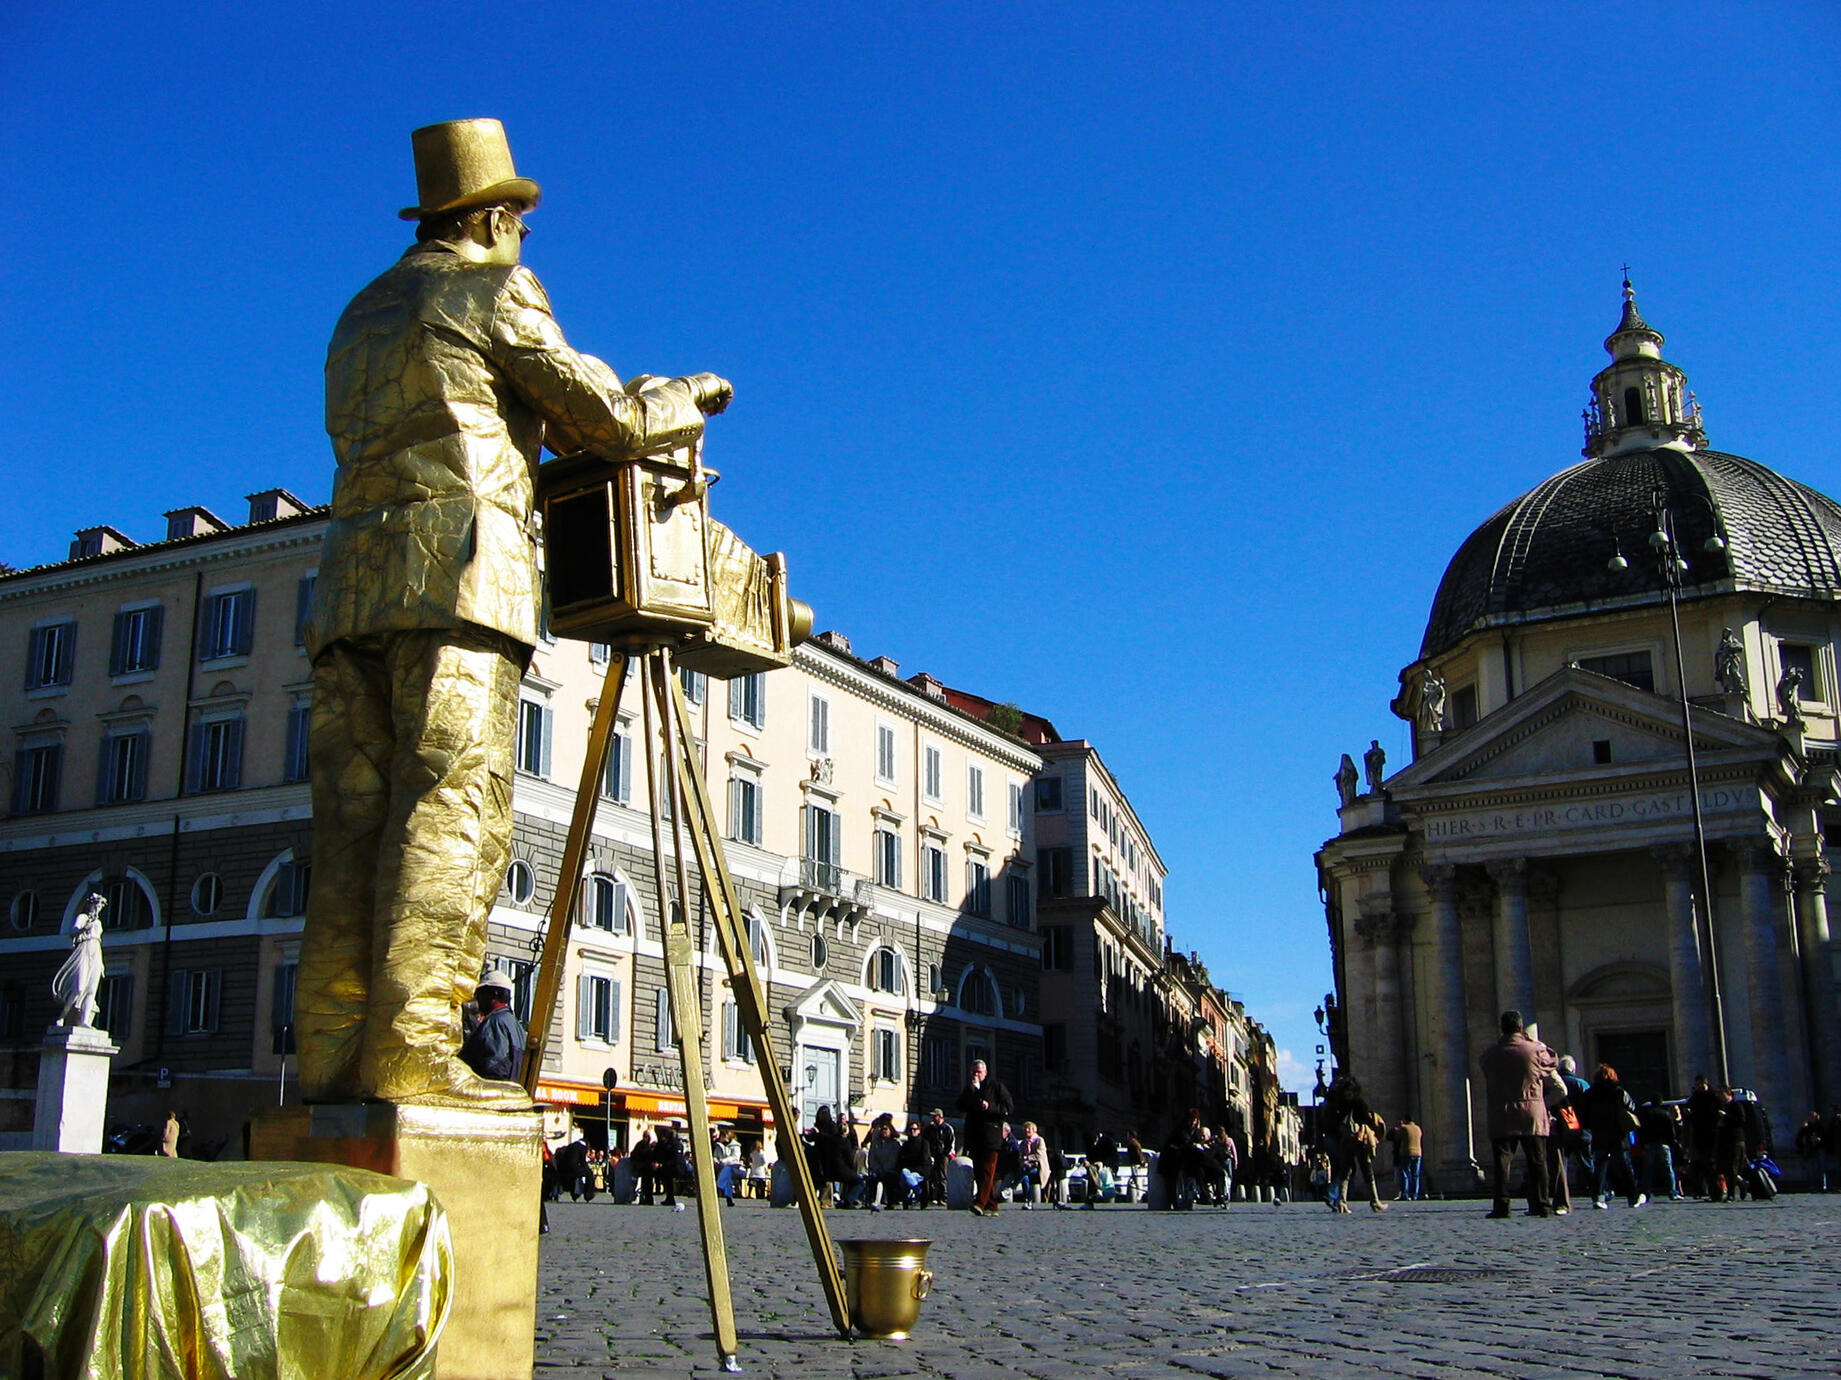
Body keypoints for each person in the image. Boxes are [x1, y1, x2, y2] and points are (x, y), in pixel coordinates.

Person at [293, 117, 732, 1107]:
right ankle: (410, 1051)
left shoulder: (360, 313)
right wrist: (684, 397)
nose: (526, 242)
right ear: (491, 218)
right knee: (454, 811)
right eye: (520, 226)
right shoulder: (490, 288)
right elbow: (606, 418)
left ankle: (325, 1060)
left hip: (353, 584)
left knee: (353, 834)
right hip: (461, 578)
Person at [1477, 1010, 1555, 1218]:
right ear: (1521, 1027)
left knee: (1502, 1163)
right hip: (1531, 1112)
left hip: (1502, 1112)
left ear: (1502, 1028)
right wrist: (1530, 1040)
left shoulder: (1491, 1054)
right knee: (1538, 1161)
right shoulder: (1534, 1050)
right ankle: (1543, 1204)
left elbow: (1484, 1067)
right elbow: (1552, 1060)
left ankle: (1502, 1206)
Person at [1579, 1065, 1644, 1209]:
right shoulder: (1619, 1092)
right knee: (1625, 1166)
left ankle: (1598, 1197)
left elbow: (1583, 1114)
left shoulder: (1589, 1094)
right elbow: (1631, 1108)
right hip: (1618, 1134)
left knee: (1600, 1166)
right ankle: (1632, 1197)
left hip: (1599, 1133)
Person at [1320, 1075, 1388, 1213]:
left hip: (1345, 1140)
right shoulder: (1358, 1103)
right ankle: (1375, 1201)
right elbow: (1367, 1120)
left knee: (1346, 1170)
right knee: (1366, 1169)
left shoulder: (1340, 1103)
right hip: (1359, 1139)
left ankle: (1341, 1202)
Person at [957, 1058, 1015, 1216]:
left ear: (986, 1072)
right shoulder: (970, 1088)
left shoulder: (996, 1087)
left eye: (979, 1072)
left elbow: (1008, 1107)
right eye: (974, 1072)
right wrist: (972, 1091)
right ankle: (992, 1204)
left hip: (991, 1135)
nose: (976, 1075)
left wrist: (990, 1107)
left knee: (988, 1170)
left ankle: (980, 1203)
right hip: (975, 1136)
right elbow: (960, 1105)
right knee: (979, 1172)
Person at [458, 969, 524, 1082]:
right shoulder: (515, 1025)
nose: (477, 999)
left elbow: (495, 1068)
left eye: (480, 994)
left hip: (494, 1093)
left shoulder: (495, 1023)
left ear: (495, 994)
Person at [1639, 1099, 1684, 1200]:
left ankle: (1646, 1191)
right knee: (1668, 1168)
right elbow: (1670, 1130)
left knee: (1648, 1169)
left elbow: (1641, 1131)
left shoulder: (1646, 1115)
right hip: (1663, 1143)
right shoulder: (1665, 1114)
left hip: (1649, 1143)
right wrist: (1671, 1142)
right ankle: (1672, 1191)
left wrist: (1643, 1143)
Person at [922, 1109, 956, 1207]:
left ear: (940, 1116)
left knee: (942, 1176)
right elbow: (926, 1141)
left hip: (943, 1155)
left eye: (935, 1116)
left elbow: (950, 1142)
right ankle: (931, 1196)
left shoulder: (947, 1128)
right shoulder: (929, 1129)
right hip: (932, 1154)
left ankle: (942, 1197)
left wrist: (946, 1153)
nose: (933, 1118)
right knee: (931, 1175)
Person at [897, 1120, 934, 1208]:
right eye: (910, 1129)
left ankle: (912, 1196)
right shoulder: (906, 1145)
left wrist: (912, 1168)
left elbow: (924, 1160)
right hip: (908, 1171)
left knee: (906, 1175)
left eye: (915, 1129)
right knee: (904, 1174)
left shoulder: (924, 1143)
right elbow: (902, 1159)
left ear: (919, 1131)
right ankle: (918, 1192)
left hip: (920, 1172)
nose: (912, 1131)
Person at [1017, 1121, 1050, 1208]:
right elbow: (1020, 1156)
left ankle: (1013, 1187)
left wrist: (1027, 1158)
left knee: (1026, 1173)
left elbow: (1039, 1155)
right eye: (1025, 1129)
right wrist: (1024, 1162)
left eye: (1029, 1128)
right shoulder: (1023, 1142)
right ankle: (1027, 1200)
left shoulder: (1039, 1140)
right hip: (1026, 1167)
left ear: (1034, 1130)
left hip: (1039, 1167)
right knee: (1025, 1176)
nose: (1027, 1130)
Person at [1392, 1117, 1423, 1201]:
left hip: (1407, 1153)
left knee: (1405, 1173)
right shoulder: (1418, 1128)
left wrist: (1398, 1128)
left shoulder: (1404, 1128)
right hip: (1418, 1153)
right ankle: (1414, 1195)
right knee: (1415, 1175)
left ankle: (1405, 1194)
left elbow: (1396, 1137)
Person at [712, 1126, 744, 1206]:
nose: (721, 1138)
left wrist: (724, 1160)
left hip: (732, 1167)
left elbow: (735, 1157)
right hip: (720, 1167)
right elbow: (716, 1155)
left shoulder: (735, 1146)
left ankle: (728, 1197)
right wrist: (715, 1160)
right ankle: (725, 1197)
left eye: (723, 1136)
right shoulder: (719, 1145)